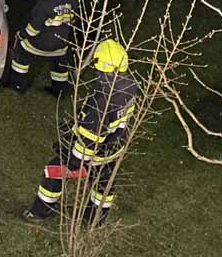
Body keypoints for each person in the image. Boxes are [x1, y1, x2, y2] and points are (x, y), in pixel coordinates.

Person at [24, 39, 138, 227]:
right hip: (116, 148)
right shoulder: (129, 83)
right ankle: (94, 219)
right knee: (104, 185)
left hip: (93, 153)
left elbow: (91, 137)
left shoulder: (102, 98)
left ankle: (40, 212)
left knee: (54, 171)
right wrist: (74, 126)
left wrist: (75, 161)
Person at [6, 0, 93, 95]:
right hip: (60, 45)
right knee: (59, 66)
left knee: (21, 55)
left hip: (39, 44)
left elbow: (34, 29)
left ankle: (17, 85)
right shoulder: (72, 0)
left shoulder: (44, 4)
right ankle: (60, 91)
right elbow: (73, 20)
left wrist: (22, 34)